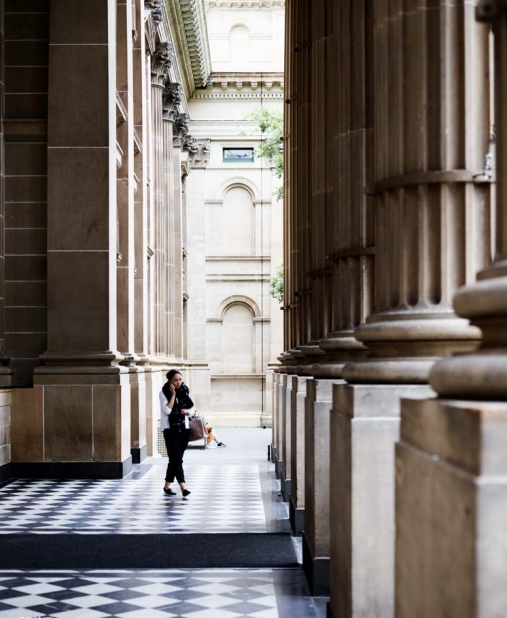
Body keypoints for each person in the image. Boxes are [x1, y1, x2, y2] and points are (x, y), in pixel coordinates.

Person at [160, 369, 194, 497]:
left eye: (180, 379)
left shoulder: (184, 390)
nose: (178, 382)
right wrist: (173, 395)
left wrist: (186, 412)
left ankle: (167, 486)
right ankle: (183, 487)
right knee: (177, 459)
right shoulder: (163, 392)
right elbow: (167, 410)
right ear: (170, 381)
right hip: (170, 429)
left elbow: (191, 408)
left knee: (175, 459)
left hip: (184, 429)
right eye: (175, 380)